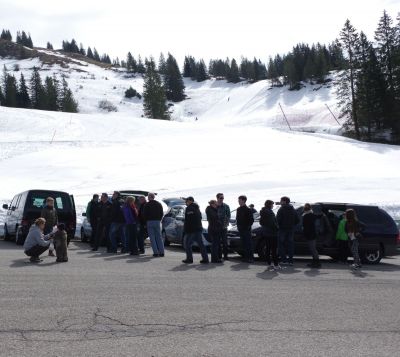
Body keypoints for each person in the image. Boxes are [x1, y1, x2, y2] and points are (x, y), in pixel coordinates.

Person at [182, 196, 209, 264]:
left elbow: (189, 221)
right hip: (198, 229)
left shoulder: (189, 208)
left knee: (187, 244)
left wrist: (186, 229)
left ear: (191, 201)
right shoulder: (197, 208)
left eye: (187, 201)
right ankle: (205, 259)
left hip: (192, 230)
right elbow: (199, 218)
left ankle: (189, 259)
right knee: (201, 244)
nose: (186, 202)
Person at [276, 196, 299, 266]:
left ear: (284, 201)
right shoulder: (293, 209)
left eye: (281, 201)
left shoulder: (281, 209)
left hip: (282, 229)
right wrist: (292, 225)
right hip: (291, 229)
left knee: (280, 245)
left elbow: (277, 220)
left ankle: (284, 260)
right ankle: (291, 261)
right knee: (290, 245)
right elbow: (297, 220)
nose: (280, 202)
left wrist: (279, 226)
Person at [259, 200, 280, 270]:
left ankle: (269, 264)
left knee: (268, 249)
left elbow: (261, 222)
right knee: (274, 249)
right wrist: (277, 228)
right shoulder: (270, 213)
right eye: (272, 204)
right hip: (272, 233)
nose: (273, 206)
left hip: (266, 232)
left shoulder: (263, 212)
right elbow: (273, 223)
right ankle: (276, 264)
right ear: (269, 205)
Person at [143, 193, 164, 257]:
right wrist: (159, 219)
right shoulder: (159, 204)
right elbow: (161, 213)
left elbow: (144, 214)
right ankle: (161, 252)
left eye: (148, 197)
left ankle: (156, 252)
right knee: (159, 237)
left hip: (150, 221)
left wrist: (145, 222)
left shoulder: (147, 204)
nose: (147, 198)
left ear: (150, 197)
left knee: (152, 238)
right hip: (157, 221)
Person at [302, 203, 321, 268]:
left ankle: (317, 262)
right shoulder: (312, 215)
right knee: (313, 249)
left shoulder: (306, 216)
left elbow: (305, 227)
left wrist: (304, 234)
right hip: (313, 234)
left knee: (313, 249)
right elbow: (319, 216)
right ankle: (315, 262)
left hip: (310, 235)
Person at [236, 195, 254, 263]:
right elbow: (237, 219)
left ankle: (250, 258)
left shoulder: (248, 209)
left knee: (248, 244)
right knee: (243, 244)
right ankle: (245, 257)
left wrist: (247, 227)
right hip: (240, 229)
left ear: (243, 200)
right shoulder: (238, 209)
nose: (238, 201)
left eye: (239, 200)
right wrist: (238, 226)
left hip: (246, 230)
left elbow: (251, 220)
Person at [216, 193, 231, 260]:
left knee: (225, 242)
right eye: (221, 198)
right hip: (216, 227)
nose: (222, 199)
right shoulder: (214, 206)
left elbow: (228, 216)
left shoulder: (226, 206)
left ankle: (225, 256)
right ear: (217, 198)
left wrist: (226, 224)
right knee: (218, 242)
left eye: (223, 198)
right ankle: (219, 256)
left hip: (224, 227)